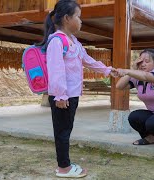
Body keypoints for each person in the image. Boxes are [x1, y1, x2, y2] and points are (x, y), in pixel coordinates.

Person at [38, 0, 116, 178]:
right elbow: (56, 70)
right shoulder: (57, 41)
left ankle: (64, 163)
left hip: (71, 95)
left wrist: (107, 70)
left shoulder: (73, 41)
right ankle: (63, 168)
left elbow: (87, 60)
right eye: (78, 17)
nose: (81, 21)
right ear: (67, 18)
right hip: (62, 97)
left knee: (66, 129)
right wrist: (60, 95)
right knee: (62, 132)